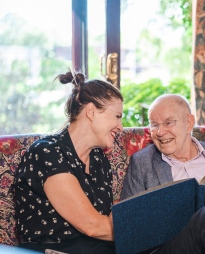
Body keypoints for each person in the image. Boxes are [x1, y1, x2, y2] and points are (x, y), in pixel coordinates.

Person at [121, 93, 205, 253]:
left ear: (189, 123)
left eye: (168, 123)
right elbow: (129, 229)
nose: (159, 132)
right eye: (154, 125)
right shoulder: (142, 163)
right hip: (181, 246)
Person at [14, 70, 124, 254]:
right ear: (91, 112)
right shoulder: (47, 152)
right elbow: (92, 226)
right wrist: (149, 229)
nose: (121, 127)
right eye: (117, 116)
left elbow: (107, 222)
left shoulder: (99, 159)